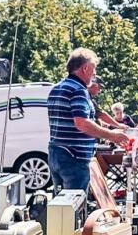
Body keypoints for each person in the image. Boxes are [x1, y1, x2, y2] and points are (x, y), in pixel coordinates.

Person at [47, 48, 130, 193]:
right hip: (74, 156)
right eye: (94, 68)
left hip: (56, 153)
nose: (95, 73)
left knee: (59, 210)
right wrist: (112, 135)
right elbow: (82, 123)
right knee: (74, 206)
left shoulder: (56, 88)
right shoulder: (78, 90)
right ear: (85, 68)